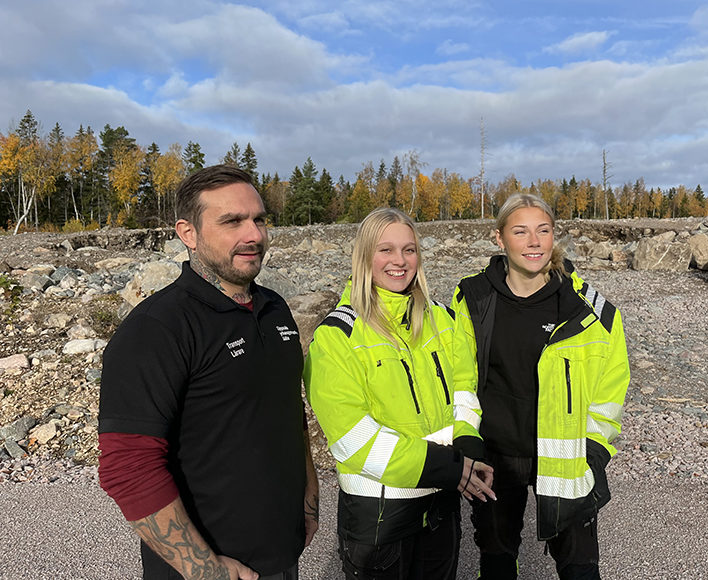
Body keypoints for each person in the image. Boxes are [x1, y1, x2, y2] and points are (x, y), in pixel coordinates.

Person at [98, 165, 319, 580]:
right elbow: (127, 466)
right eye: (232, 221)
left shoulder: (275, 309)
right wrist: (204, 568)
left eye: (259, 219)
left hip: (281, 552)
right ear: (189, 233)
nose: (253, 235)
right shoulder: (157, 327)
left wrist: (309, 495)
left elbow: (289, 410)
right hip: (208, 566)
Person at [303, 207, 495, 579]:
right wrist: (450, 467)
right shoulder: (336, 337)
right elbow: (353, 440)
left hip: (441, 506)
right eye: (385, 250)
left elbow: (464, 391)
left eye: (409, 250)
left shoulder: (443, 318)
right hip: (380, 519)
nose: (399, 261)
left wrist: (468, 442)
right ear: (364, 256)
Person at [451, 193, 630, 580]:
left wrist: (595, 450)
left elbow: (609, 389)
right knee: (497, 562)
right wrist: (467, 440)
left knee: (580, 567)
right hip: (496, 456)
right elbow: (461, 380)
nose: (534, 242)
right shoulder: (473, 299)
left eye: (543, 230)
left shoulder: (587, 309)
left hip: (567, 458)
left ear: (553, 236)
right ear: (500, 239)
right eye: (521, 231)